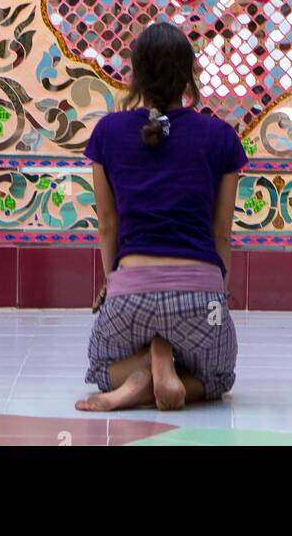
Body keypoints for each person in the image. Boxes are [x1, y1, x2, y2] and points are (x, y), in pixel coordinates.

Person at [76, 21, 248, 412]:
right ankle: (166, 367)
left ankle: (142, 374)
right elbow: (221, 234)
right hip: (199, 297)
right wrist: (216, 297)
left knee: (102, 369)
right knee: (217, 379)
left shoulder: (107, 132)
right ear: (189, 77)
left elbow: (107, 224)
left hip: (129, 294)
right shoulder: (221, 137)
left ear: (134, 74)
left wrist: (111, 282)